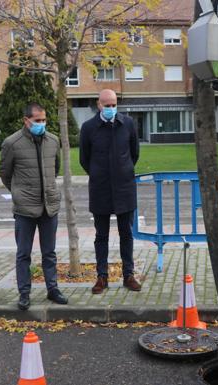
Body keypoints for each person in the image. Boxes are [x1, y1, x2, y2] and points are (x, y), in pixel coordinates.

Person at [0, 102, 68, 310]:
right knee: (23, 253)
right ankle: (24, 294)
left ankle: (52, 289)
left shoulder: (53, 141)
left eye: (44, 120)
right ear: (26, 120)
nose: (41, 124)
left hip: (49, 206)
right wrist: (18, 192)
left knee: (50, 252)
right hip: (25, 208)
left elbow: (54, 168)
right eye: (37, 120)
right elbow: (5, 173)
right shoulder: (12, 143)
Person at [79, 89, 141, 294]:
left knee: (126, 234)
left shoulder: (128, 124)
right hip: (101, 189)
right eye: (107, 105)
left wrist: (122, 171)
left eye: (114, 105)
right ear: (99, 105)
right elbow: (84, 159)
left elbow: (134, 154)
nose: (111, 109)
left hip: (125, 189)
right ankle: (102, 277)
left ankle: (128, 275)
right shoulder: (88, 128)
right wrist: (98, 173)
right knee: (101, 236)